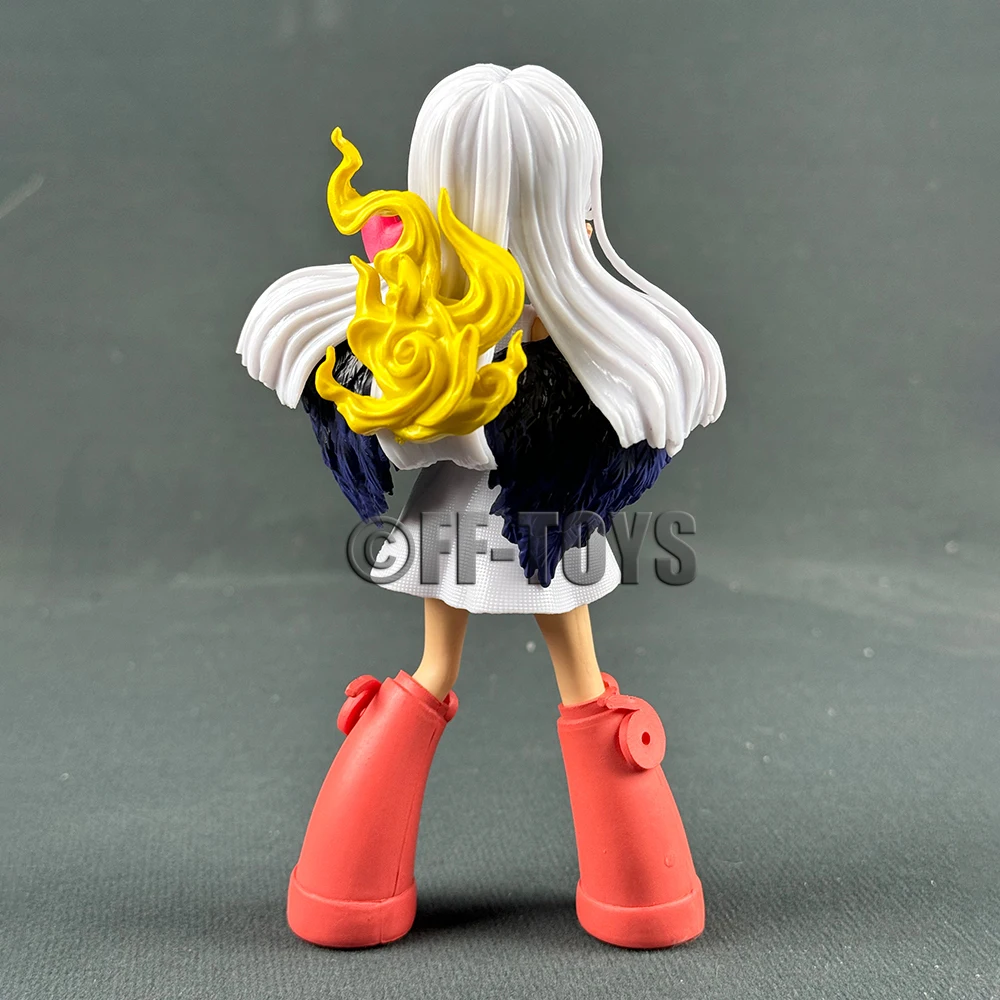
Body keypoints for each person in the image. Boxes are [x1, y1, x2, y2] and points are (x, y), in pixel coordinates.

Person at [237, 62, 726, 949]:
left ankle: (630, 896)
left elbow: (564, 430)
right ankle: (354, 889)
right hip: (477, 518)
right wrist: (418, 389)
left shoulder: (569, 342)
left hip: (538, 519)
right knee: (454, 671)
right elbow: (395, 431)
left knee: (565, 676)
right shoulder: (419, 320)